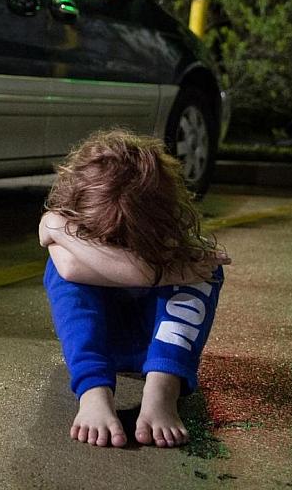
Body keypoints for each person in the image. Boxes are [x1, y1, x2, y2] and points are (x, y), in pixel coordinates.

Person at [39, 129, 230, 448]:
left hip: (157, 347)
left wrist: (62, 231)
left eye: (133, 241)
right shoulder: (59, 223)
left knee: (204, 267)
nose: (122, 247)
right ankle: (93, 393)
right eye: (110, 240)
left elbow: (198, 262)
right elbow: (70, 268)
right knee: (62, 274)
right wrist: (164, 272)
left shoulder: (60, 227)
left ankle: (162, 390)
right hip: (99, 346)